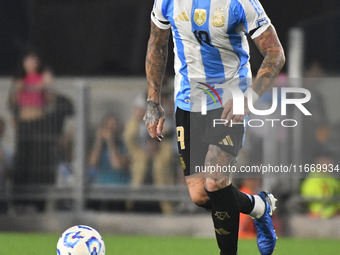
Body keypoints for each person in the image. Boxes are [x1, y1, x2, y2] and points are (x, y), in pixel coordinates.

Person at [143, 1, 285, 255]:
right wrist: (153, 102)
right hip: (188, 104)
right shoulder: (167, 2)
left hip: (229, 102)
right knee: (200, 194)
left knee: (216, 182)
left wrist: (248, 98)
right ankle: (259, 207)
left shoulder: (240, 3)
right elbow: (157, 43)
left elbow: (275, 53)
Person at [124, 92, 175, 214]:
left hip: (161, 203)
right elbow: (128, 137)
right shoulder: (139, 155)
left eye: (154, 142)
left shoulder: (164, 155)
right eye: (149, 142)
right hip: (138, 201)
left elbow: (169, 138)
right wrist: (137, 117)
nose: (151, 145)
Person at [88, 113, 130, 185]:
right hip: (102, 188)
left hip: (120, 188)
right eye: (108, 127)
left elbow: (117, 165)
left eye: (114, 127)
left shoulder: (125, 145)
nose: (111, 130)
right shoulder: (101, 148)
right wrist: (99, 140)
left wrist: (110, 142)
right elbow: (92, 163)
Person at [300, 150, 340, 219]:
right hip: (318, 217)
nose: (329, 163)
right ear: (317, 161)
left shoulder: (333, 179)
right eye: (326, 160)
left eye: (330, 160)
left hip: (334, 217)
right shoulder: (312, 180)